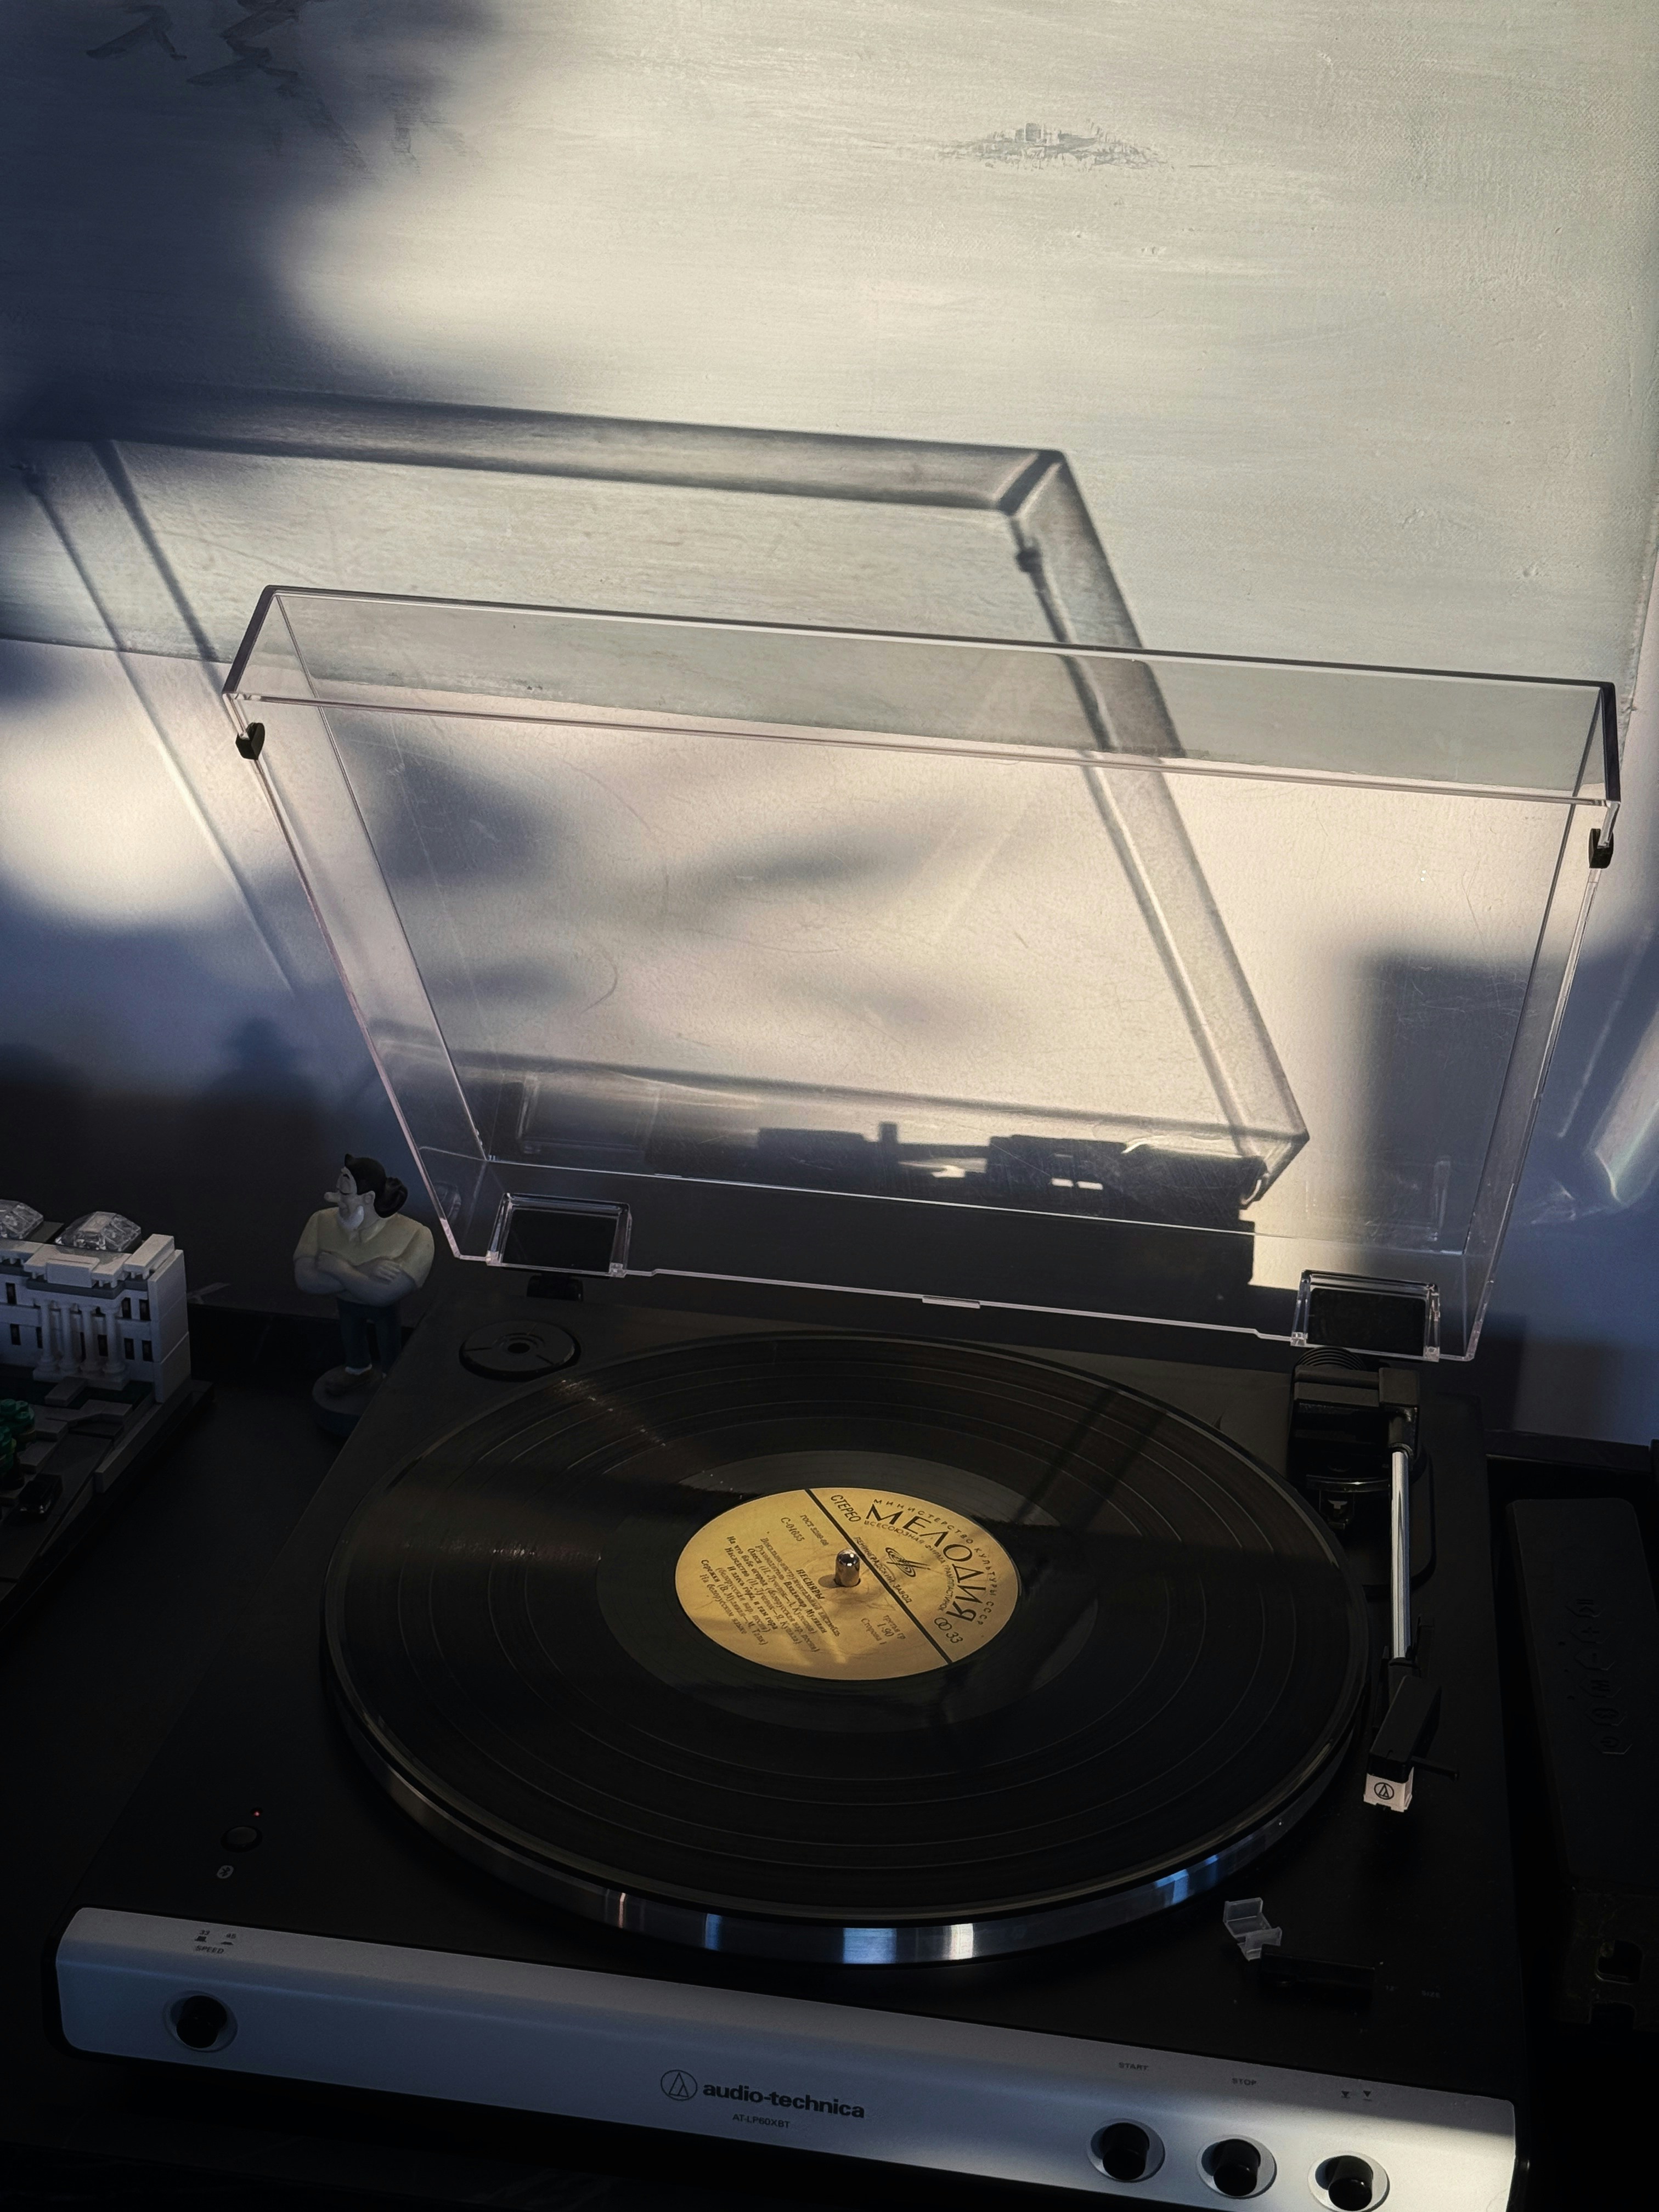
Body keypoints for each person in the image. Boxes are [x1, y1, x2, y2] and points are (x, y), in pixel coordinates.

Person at [294, 1156, 434, 1402]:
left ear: (369, 1198)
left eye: (344, 1193)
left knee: (388, 1335)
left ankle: (391, 1375)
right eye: (337, 1190)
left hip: (384, 1310)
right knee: (350, 1330)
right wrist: (365, 1270)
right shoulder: (320, 1221)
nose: (333, 1198)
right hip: (346, 1305)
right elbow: (305, 1280)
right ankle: (357, 1369)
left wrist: (340, 1270)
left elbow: (383, 1295)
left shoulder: (416, 1235)